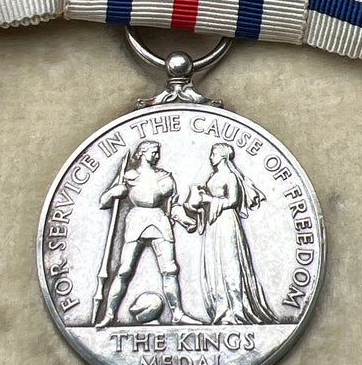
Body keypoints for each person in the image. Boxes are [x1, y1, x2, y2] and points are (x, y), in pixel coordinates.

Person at [95, 140, 201, 327]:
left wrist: (186, 221)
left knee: (170, 270)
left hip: (160, 220)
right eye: (154, 152)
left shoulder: (165, 177)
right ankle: (110, 314)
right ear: (142, 152)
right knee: (124, 270)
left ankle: (177, 313)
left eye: (158, 152)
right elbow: (103, 202)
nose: (157, 156)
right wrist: (114, 193)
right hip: (137, 220)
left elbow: (174, 205)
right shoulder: (129, 176)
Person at [185, 143, 278, 325]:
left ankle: (236, 310)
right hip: (213, 223)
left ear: (221, 155)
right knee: (216, 264)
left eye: (213, 153)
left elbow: (233, 200)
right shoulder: (213, 177)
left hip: (226, 221)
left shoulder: (230, 176)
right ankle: (222, 309)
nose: (210, 157)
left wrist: (209, 199)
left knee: (230, 263)